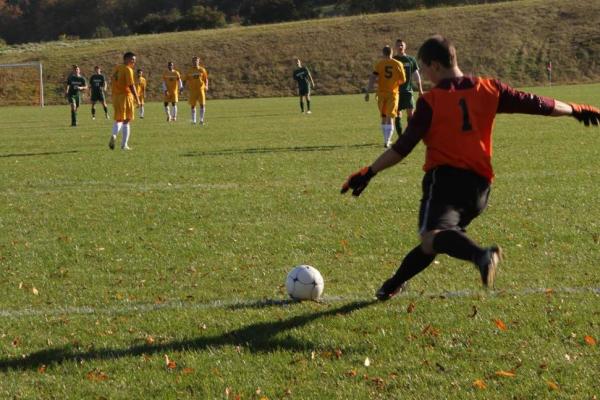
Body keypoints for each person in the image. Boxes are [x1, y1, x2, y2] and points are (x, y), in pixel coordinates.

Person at [341, 35, 600, 301]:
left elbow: (402, 147)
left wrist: (369, 172)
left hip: (444, 183)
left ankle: (481, 255)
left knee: (433, 237)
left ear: (435, 65)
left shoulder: (431, 102)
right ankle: (392, 285)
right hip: (479, 189)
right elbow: (538, 104)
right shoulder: (489, 88)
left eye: (426, 70)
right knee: (436, 240)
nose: (427, 77)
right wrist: (575, 109)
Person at [364, 45, 406, 148]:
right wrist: (394, 83)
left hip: (381, 94)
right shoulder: (398, 63)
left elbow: (372, 78)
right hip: (393, 94)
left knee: (383, 117)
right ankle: (388, 141)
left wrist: (368, 92)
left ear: (383, 53)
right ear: (391, 53)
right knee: (390, 116)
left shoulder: (379, 64)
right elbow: (403, 80)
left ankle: (386, 140)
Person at [109, 52, 140, 151]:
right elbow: (131, 85)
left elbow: (112, 80)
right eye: (132, 60)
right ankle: (124, 145)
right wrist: (137, 98)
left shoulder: (117, 68)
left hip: (116, 97)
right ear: (126, 59)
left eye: (134, 60)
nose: (134, 62)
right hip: (126, 96)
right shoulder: (128, 69)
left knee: (119, 119)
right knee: (127, 120)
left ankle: (114, 135)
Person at [393, 39, 424, 135]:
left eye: (402, 45)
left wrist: (420, 89)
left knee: (411, 114)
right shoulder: (393, 60)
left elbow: (416, 75)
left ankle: (409, 135)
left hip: (408, 91)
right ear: (395, 47)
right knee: (397, 114)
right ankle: (400, 136)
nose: (400, 47)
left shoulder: (411, 60)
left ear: (405, 47)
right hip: (396, 92)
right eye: (398, 45)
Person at [183, 56, 209, 125]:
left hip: (201, 90)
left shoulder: (202, 70)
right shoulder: (189, 71)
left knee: (202, 105)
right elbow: (185, 80)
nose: (195, 62)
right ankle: (194, 121)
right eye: (194, 61)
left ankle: (201, 120)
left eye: (196, 61)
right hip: (192, 90)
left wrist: (206, 86)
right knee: (193, 105)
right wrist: (182, 87)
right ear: (192, 62)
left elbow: (206, 79)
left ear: (198, 61)